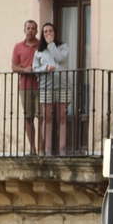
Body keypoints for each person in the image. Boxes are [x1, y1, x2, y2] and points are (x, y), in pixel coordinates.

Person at [33, 23, 70, 156]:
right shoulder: (39, 52)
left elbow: (60, 58)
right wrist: (45, 68)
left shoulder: (63, 47)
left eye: (50, 31)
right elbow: (35, 70)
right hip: (46, 87)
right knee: (47, 117)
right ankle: (48, 150)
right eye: (45, 32)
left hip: (62, 86)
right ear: (42, 35)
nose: (48, 33)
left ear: (55, 33)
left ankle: (62, 149)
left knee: (62, 117)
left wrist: (51, 44)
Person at [11, 20, 41, 155]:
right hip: (25, 86)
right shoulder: (18, 47)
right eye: (28, 28)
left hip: (41, 85)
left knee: (42, 117)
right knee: (28, 117)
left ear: (36, 31)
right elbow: (14, 67)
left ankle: (42, 148)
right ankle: (32, 148)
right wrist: (25, 70)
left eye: (33, 28)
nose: (30, 30)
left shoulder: (41, 45)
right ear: (24, 30)